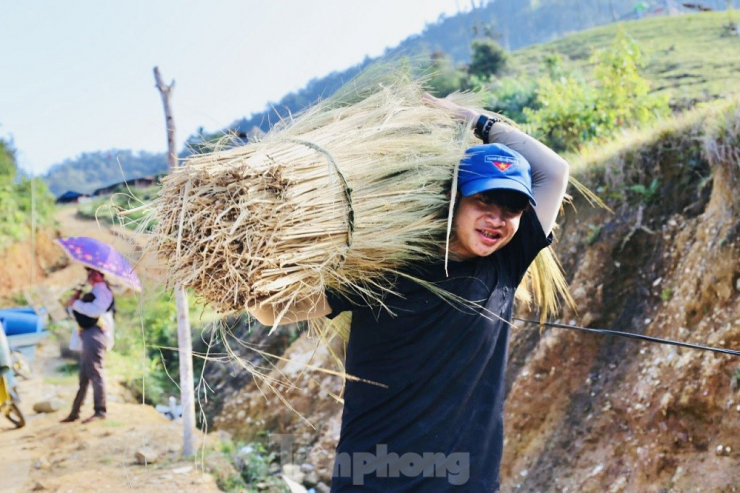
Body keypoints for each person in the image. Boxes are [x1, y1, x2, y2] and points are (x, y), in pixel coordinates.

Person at [248, 95, 569, 491]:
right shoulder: (387, 267)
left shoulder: (505, 264)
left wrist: (472, 119)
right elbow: (270, 311)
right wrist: (245, 260)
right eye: (484, 200)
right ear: (454, 200)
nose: (496, 219)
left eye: (512, 208)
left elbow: (555, 171)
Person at [60, 268, 115, 424]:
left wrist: (76, 303)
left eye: (92, 273)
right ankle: (74, 412)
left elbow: (95, 311)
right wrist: (74, 300)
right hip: (86, 334)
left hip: (95, 334)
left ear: (100, 274)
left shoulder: (103, 291)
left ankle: (100, 411)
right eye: (89, 272)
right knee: (84, 376)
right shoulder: (93, 290)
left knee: (96, 373)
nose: (90, 276)